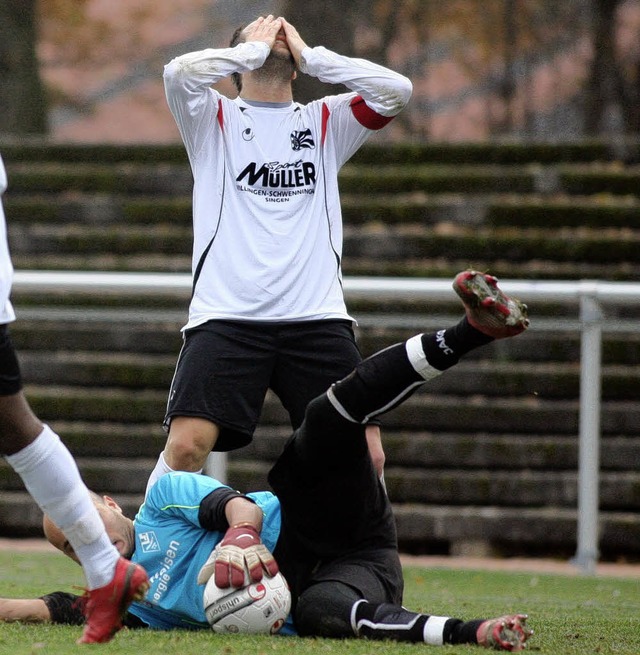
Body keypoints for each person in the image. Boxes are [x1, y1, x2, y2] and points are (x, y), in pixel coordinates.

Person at [4, 271, 532, 651]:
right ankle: (474, 632)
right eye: (70, 545)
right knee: (319, 614)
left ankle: (472, 332)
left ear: (110, 502)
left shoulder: (163, 501)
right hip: (361, 568)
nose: (83, 541)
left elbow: (239, 509)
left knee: (324, 419)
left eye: (80, 521)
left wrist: (241, 543)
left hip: (317, 517)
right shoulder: (132, 603)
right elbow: (29, 610)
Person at [149, 14, 414, 491]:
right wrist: (248, 52)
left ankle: (347, 564)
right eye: (257, 37)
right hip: (229, 315)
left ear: (295, 67)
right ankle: (145, 553)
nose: (272, 39)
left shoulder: (326, 120)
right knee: (187, 446)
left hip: (315, 317)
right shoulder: (212, 117)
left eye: (281, 39)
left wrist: (316, 58)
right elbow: (177, 72)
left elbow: (397, 91)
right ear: (237, 61)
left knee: (364, 455)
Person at [0, 153, 150, 644]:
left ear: (109, 502)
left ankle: (107, 569)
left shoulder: (174, 501)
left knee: (12, 420)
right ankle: (107, 570)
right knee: (11, 421)